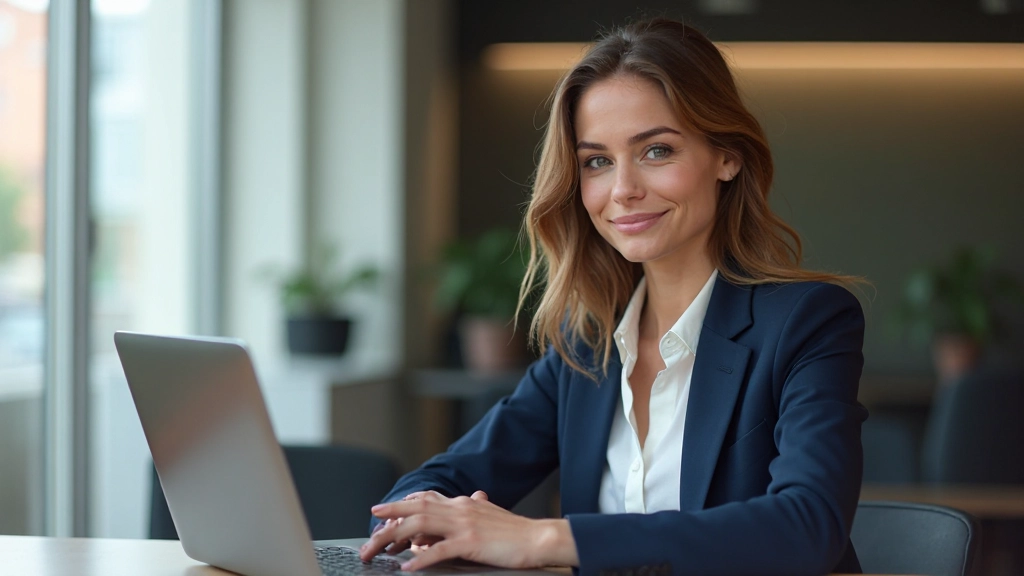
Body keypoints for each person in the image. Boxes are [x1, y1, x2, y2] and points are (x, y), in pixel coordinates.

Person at [360, 17, 867, 576]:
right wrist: (419, 521)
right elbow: (438, 481)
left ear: (727, 156)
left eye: (656, 151)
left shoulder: (807, 321)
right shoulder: (588, 343)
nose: (623, 189)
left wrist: (547, 539)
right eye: (597, 161)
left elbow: (807, 526)